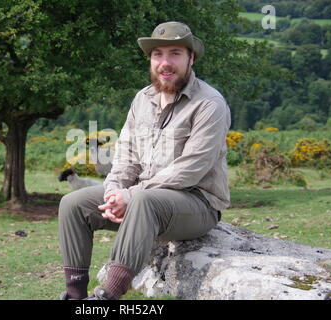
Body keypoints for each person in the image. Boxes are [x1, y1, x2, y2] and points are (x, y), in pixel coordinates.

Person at [58, 21, 231, 300]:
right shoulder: (142, 99)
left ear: (191, 58)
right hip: (142, 201)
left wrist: (131, 195)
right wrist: (114, 191)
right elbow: (126, 156)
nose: (165, 62)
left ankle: (107, 297)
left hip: (197, 203)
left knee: (142, 201)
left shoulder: (210, 104)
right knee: (73, 204)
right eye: (158, 54)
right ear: (151, 60)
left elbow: (190, 169)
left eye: (175, 53)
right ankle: (75, 294)